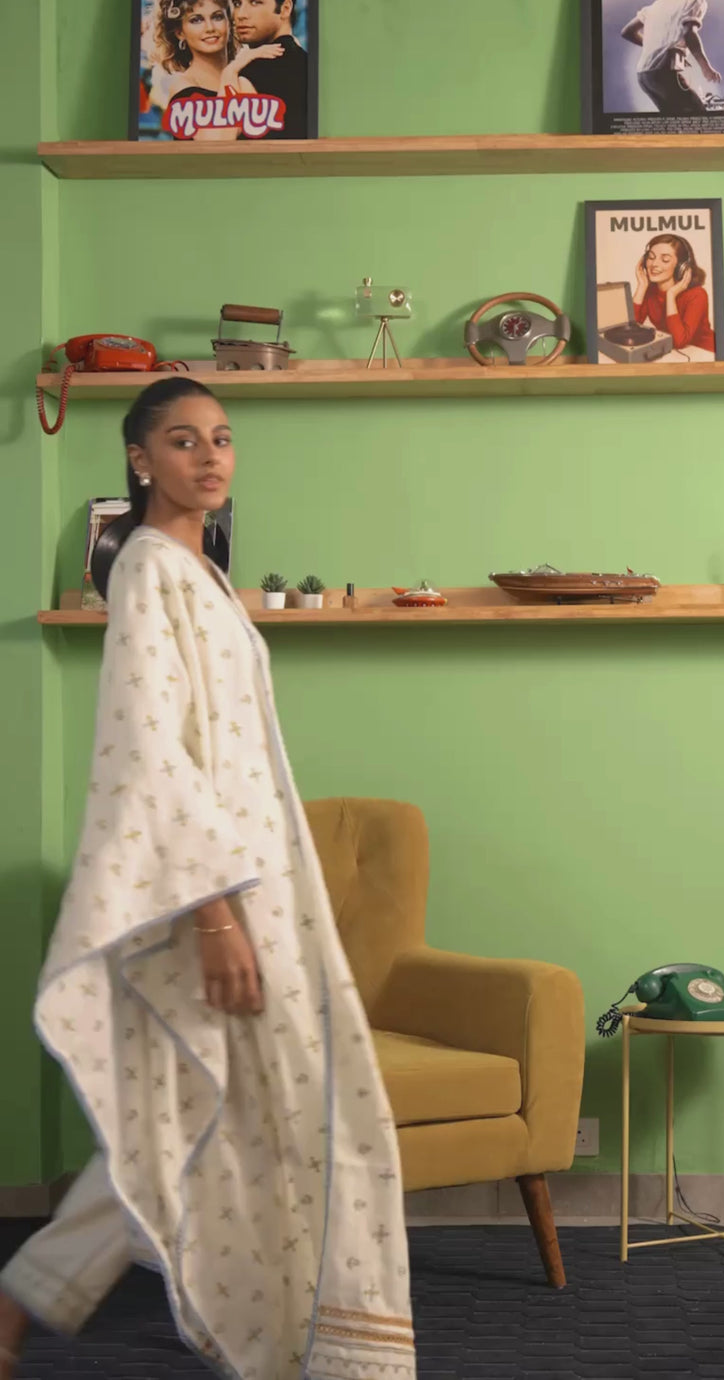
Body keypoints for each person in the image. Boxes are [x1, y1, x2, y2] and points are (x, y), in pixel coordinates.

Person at [0, 378, 415, 1380]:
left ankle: (21, 1309)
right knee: (263, 1104)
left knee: (190, 1108)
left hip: (254, 878)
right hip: (215, 893)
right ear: (139, 459)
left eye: (222, 438)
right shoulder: (149, 571)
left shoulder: (200, 573)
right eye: (183, 441)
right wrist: (218, 917)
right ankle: (315, 1343)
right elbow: (154, 755)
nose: (210, 456)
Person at [152, 0, 285, 142]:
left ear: (229, 22)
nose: (210, 28)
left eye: (217, 17)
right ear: (180, 33)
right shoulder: (183, 88)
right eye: (196, 20)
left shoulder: (247, 77)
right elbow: (218, 145)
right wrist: (230, 71)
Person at [620, 1, 721, 119]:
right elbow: (689, 33)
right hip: (663, 74)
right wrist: (706, 68)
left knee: (673, 120)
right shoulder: (695, 1)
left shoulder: (658, 4)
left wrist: (656, 48)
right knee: (699, 117)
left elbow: (627, 32)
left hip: (644, 76)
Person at [231, 0, 310, 139]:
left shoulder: (251, 73)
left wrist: (231, 70)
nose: (240, 15)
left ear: (285, 8)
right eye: (237, 4)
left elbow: (221, 144)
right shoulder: (308, 63)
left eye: (255, 3)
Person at [633, 233, 716, 359]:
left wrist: (670, 295)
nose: (654, 264)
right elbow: (631, 330)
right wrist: (641, 286)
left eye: (665, 260)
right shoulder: (650, 291)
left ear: (681, 267)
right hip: (676, 355)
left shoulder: (697, 295)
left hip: (705, 353)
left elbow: (679, 341)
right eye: (651, 257)